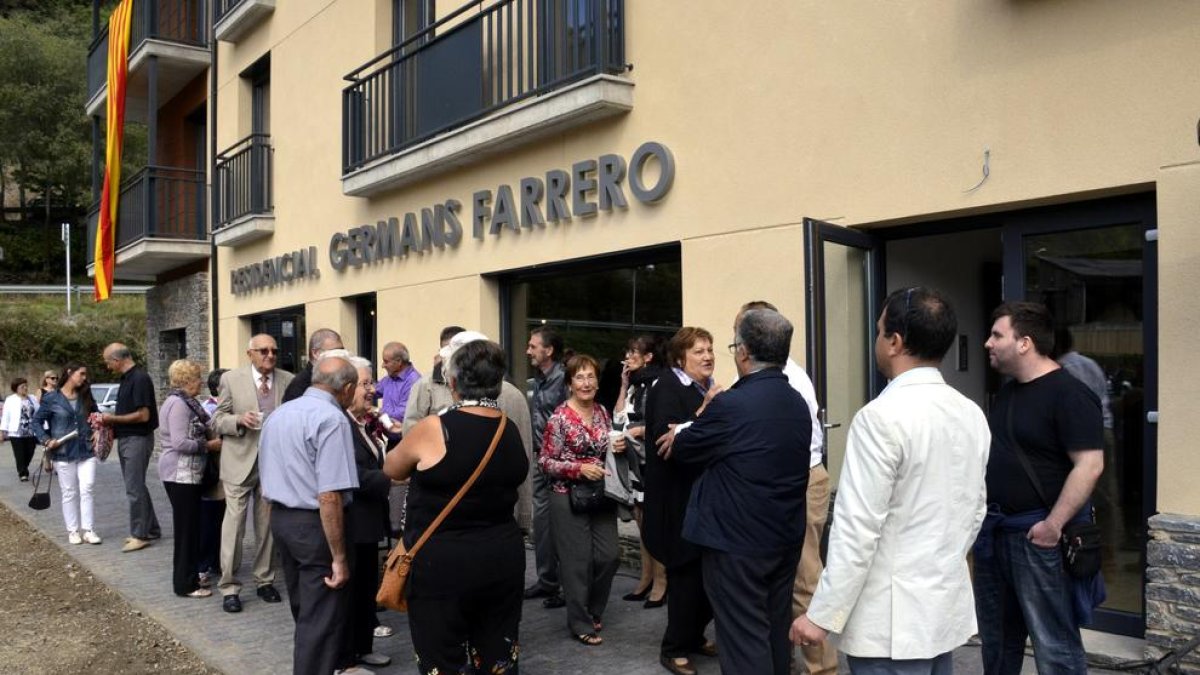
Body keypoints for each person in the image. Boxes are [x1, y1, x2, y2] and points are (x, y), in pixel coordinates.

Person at [791, 287, 991, 674]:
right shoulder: (970, 413)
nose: (878, 340)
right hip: (939, 609)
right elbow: (975, 509)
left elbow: (857, 530)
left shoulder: (879, 417)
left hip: (889, 622)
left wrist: (822, 615)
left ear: (895, 342)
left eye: (880, 331)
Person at [659, 309, 810, 674]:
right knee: (775, 630)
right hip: (784, 538)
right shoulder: (796, 403)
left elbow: (682, 447)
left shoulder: (732, 404)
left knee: (744, 640)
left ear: (743, 352)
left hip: (737, 544)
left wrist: (700, 415)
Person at [974, 301, 1104, 674]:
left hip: (1038, 539)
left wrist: (1053, 526)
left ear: (1024, 343)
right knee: (998, 644)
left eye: (997, 335)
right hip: (997, 536)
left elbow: (1090, 465)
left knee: (1055, 647)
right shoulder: (1009, 393)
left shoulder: (1070, 393)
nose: (988, 343)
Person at [384, 338, 529, 674]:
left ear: (452, 382)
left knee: (442, 655)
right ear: (497, 384)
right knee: (497, 652)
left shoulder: (434, 428)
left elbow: (392, 468)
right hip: (502, 557)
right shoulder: (507, 428)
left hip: (443, 563)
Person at [737, 300, 836, 675]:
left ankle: (822, 669)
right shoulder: (771, 376)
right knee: (787, 579)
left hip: (802, 479)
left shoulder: (785, 380)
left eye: (741, 335)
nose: (738, 345)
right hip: (793, 479)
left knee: (805, 579)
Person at [260, 356, 360, 675]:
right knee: (320, 619)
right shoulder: (332, 419)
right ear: (347, 388)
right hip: (313, 524)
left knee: (305, 610)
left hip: (282, 519)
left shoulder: (279, 414)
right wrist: (339, 557)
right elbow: (329, 494)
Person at [643, 327, 721, 675]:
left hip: (703, 499)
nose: (708, 356)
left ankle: (693, 635)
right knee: (686, 577)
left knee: (707, 577)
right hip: (675, 501)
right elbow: (666, 442)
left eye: (710, 349)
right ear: (679, 358)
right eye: (699, 351)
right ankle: (674, 648)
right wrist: (705, 411)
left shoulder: (706, 385)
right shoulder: (667, 387)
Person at [539, 353, 624, 646]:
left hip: (600, 493)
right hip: (566, 495)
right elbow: (545, 462)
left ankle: (594, 609)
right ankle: (580, 622)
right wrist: (578, 469)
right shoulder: (559, 418)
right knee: (577, 562)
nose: (586, 383)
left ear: (598, 382)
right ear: (570, 383)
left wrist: (618, 447)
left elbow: (606, 447)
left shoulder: (602, 412)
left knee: (609, 556)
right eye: (579, 377)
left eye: (591, 377)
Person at [211, 334, 295, 613]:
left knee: (267, 526)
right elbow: (217, 419)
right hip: (239, 463)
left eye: (274, 351)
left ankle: (264, 580)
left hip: (273, 465)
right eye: (263, 351)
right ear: (250, 354)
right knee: (234, 527)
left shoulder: (287, 380)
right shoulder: (231, 379)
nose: (270, 355)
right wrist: (238, 419)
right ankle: (229, 586)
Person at [337, 356, 394, 672]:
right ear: (346, 388)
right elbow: (351, 474)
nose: (372, 389)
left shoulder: (364, 422)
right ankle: (347, 658)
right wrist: (391, 477)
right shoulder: (340, 424)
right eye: (365, 384)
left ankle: (363, 649)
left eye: (372, 382)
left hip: (369, 522)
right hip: (352, 522)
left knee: (365, 588)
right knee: (352, 592)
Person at [158, 359, 222, 598]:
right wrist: (209, 445)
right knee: (186, 531)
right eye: (197, 378)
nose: (201, 383)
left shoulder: (184, 402)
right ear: (186, 380)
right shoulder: (179, 404)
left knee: (191, 528)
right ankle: (186, 585)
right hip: (180, 473)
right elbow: (179, 442)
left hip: (186, 474)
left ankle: (191, 577)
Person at [612, 336, 668, 607]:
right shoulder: (635, 385)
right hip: (636, 462)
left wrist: (640, 431)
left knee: (654, 523)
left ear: (648, 357)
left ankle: (661, 581)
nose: (628, 356)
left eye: (634, 352)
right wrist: (623, 385)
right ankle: (646, 577)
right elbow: (618, 417)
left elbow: (665, 423)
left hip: (653, 463)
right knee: (640, 520)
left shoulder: (658, 383)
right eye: (628, 351)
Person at [101, 343, 162, 552]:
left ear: (117, 360)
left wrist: (112, 419)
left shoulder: (139, 379)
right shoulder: (127, 378)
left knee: (134, 488)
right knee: (137, 486)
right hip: (128, 438)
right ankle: (150, 528)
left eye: (108, 362)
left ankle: (140, 535)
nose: (108, 367)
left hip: (137, 439)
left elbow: (143, 415)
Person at [524, 325, 569, 608]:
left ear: (549, 350)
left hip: (562, 463)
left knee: (564, 523)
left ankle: (567, 586)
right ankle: (547, 580)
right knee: (541, 524)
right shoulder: (537, 380)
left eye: (533, 346)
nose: (527, 350)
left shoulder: (565, 379)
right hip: (540, 460)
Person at [32, 364, 102, 545]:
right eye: (82, 374)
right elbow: (36, 422)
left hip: (86, 449)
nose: (85, 377)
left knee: (87, 488)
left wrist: (97, 429)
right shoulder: (51, 398)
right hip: (63, 451)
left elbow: (96, 415)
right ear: (70, 373)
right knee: (69, 492)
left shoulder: (86, 395)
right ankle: (73, 531)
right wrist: (46, 440)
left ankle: (88, 530)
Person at [197, 368, 228, 589]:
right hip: (214, 474)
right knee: (210, 520)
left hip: (227, 473)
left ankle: (217, 561)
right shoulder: (208, 410)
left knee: (222, 520)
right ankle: (205, 564)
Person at [282, 328, 344, 404]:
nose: (341, 356)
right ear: (316, 353)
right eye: (335, 352)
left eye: (342, 351)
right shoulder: (299, 385)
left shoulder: (335, 377)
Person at [376, 341, 420, 440]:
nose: (382, 366)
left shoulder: (413, 381)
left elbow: (401, 415)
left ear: (399, 362)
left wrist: (377, 411)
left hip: (406, 441)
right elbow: (374, 390)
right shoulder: (390, 377)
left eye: (386, 361)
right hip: (391, 440)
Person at [2, 377, 39, 481]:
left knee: (30, 451)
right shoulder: (10, 399)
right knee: (20, 453)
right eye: (22, 387)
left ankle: (23, 467)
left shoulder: (32, 398)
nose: (25, 388)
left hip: (31, 430)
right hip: (16, 432)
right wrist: (2, 431)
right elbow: (6, 416)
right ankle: (23, 473)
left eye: (26, 386)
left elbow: (39, 411)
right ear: (16, 388)